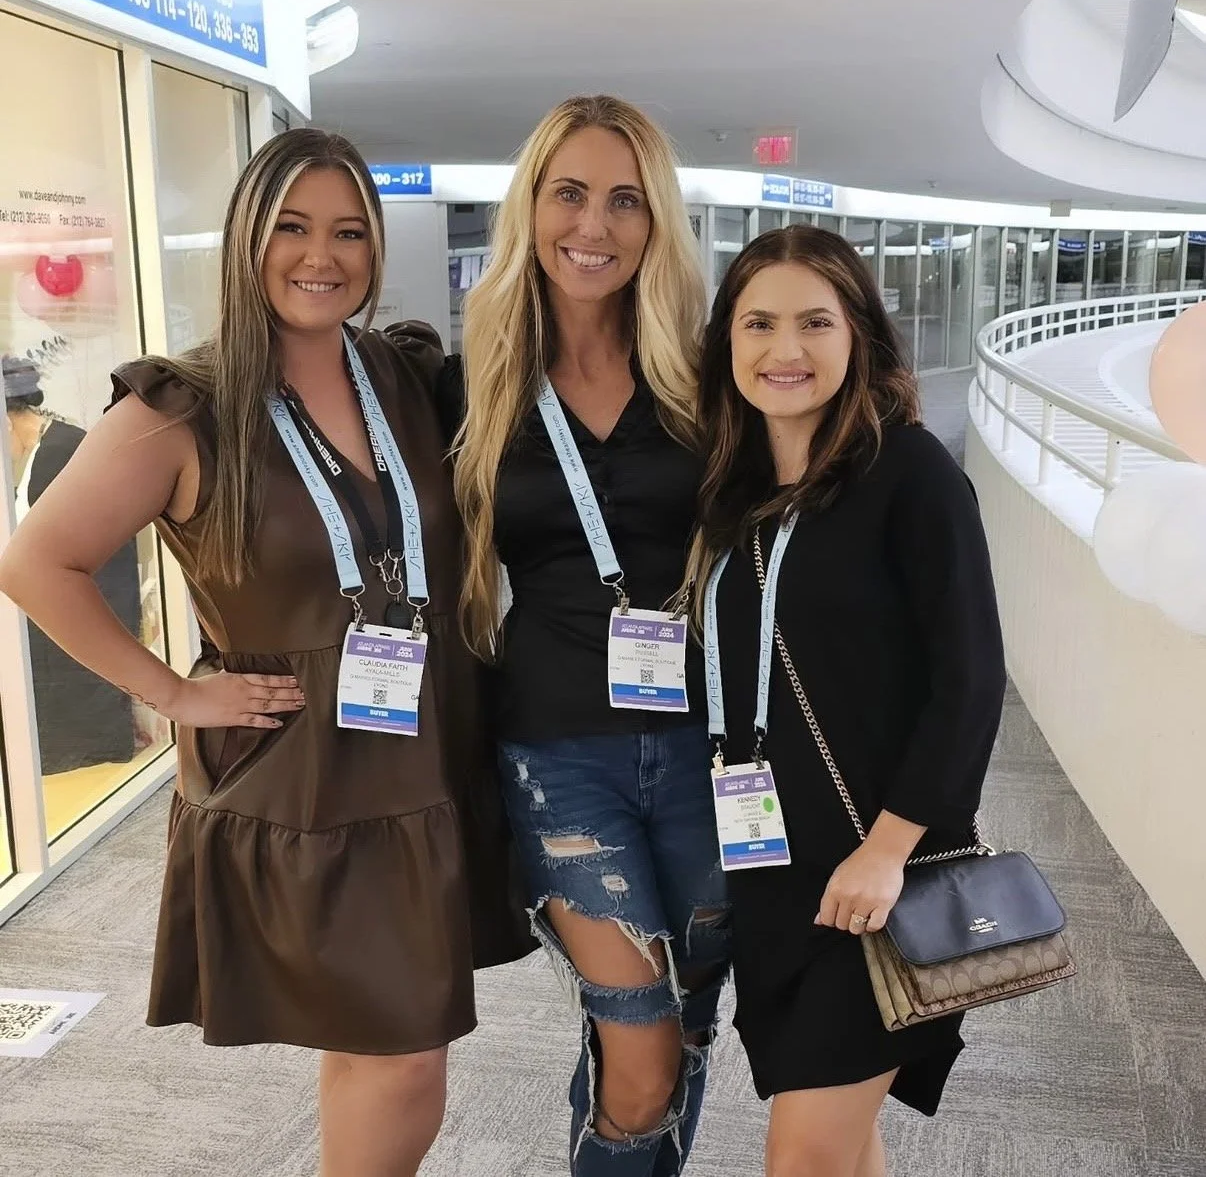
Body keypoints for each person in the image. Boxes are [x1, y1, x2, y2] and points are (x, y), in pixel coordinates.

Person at [0, 127, 531, 1177]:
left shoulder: (401, 374)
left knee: (372, 1039)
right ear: (247, 237)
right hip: (306, 771)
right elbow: (36, 564)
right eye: (291, 226)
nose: (319, 254)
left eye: (347, 231)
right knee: (405, 1059)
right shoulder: (181, 407)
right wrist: (168, 693)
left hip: (421, 748)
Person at [450, 95, 730, 1174]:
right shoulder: (472, 382)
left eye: (626, 201)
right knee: (644, 1038)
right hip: (560, 755)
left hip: (714, 752)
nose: (595, 226)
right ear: (531, 207)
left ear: (657, 222)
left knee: (677, 1029)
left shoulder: (709, 377)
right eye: (570, 193)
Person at [690, 225, 1006, 1177]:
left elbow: (971, 676)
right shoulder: (734, 492)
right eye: (759, 324)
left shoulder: (909, 473)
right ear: (728, 343)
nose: (785, 351)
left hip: (879, 874)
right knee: (840, 1141)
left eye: (815, 323)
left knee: (804, 1155)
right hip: (773, 871)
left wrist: (888, 848)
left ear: (859, 334)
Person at [4, 351, 141, 775]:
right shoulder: (26, 455)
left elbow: (98, 571)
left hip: (71, 651)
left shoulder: (65, 453)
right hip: (40, 637)